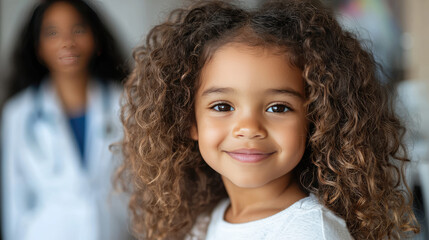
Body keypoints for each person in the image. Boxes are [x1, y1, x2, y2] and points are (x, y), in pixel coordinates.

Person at [117, 0, 419, 239]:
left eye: (277, 108)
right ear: (188, 120)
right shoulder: (204, 223)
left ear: (315, 121)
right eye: (222, 106)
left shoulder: (310, 232)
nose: (248, 128)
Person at [1, 0, 132, 239]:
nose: (67, 42)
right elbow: (14, 200)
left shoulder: (126, 104)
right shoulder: (18, 114)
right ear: (37, 47)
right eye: (52, 33)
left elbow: (143, 187)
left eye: (78, 30)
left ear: (95, 38)